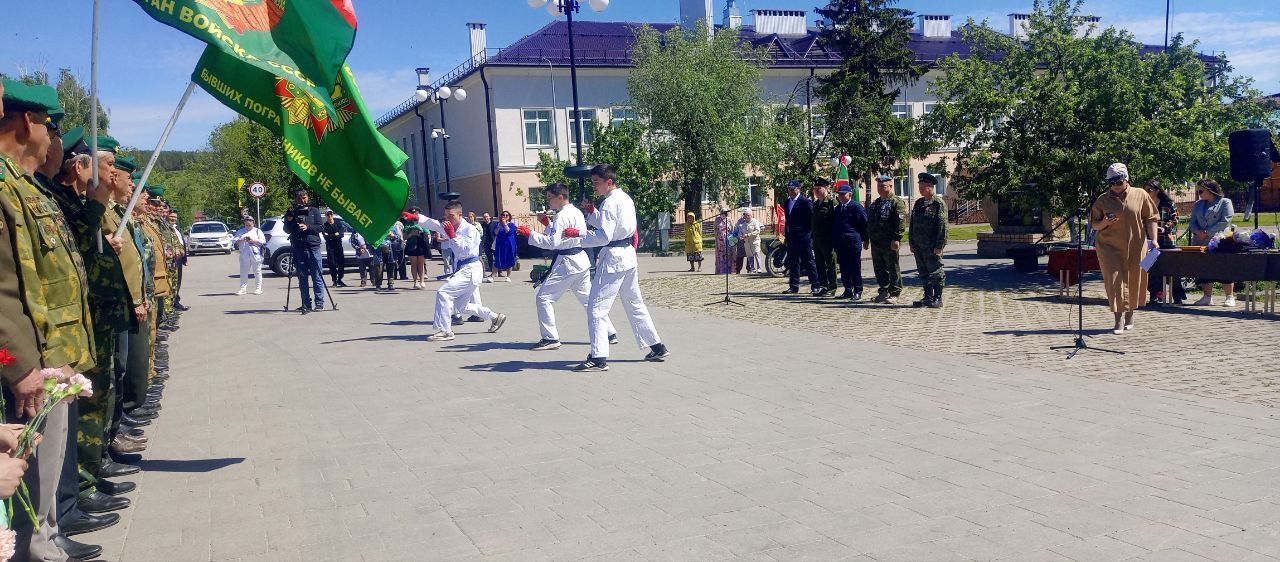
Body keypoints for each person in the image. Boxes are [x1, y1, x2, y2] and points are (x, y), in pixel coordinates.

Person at [0, 79, 92, 561]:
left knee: (44, 474)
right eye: (48, 125)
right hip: (27, 362)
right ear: (24, 122)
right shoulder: (4, 186)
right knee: (26, 482)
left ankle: (45, 544)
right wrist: (18, 365)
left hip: (49, 357)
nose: (53, 137)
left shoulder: (23, 186)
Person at [562, 164, 668, 372]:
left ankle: (599, 357)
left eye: (597, 182)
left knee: (596, 307)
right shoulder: (624, 198)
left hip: (614, 257)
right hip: (627, 254)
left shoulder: (610, 202)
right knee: (634, 302)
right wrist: (593, 214)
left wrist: (578, 236)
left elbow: (604, 235)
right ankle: (657, 346)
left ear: (609, 182)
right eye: (593, 182)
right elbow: (613, 227)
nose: (594, 186)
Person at [517, 183, 619, 351]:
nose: (548, 201)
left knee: (544, 298)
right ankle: (609, 333)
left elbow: (554, 242)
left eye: (550, 198)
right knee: (589, 301)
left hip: (568, 262)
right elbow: (563, 236)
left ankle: (550, 338)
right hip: (580, 260)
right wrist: (547, 224)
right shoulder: (575, 212)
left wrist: (531, 235)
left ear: (560, 197)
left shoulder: (562, 215)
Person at [411, 201, 506, 341]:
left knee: (443, 292)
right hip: (463, 269)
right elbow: (433, 223)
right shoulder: (450, 226)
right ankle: (494, 317)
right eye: (445, 216)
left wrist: (452, 235)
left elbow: (465, 250)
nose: (447, 219)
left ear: (460, 215)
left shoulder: (470, 230)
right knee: (461, 306)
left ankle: (445, 331)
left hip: (471, 269)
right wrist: (416, 217)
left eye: (450, 216)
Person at [1090, 163, 1159, 334]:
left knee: (1134, 280)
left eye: (1119, 182)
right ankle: (1118, 320)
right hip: (1109, 247)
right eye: (1112, 183)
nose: (1116, 186)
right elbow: (1094, 224)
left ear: (1126, 179)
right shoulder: (1102, 200)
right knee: (1115, 283)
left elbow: (1151, 218)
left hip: (1136, 245)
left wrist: (1154, 240)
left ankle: (1130, 317)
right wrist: (1104, 222)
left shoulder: (1140, 194)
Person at [1188, 179, 1237, 307]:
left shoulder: (1225, 203)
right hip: (1200, 241)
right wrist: (1198, 231)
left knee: (1223, 268)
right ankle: (1207, 297)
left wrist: (1208, 232)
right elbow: (1192, 221)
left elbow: (1226, 221)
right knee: (1204, 268)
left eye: (1201, 190)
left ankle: (1229, 296)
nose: (1199, 193)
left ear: (1210, 190)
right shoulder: (1198, 204)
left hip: (1220, 241)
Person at [283, 188, 326, 313]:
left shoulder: (314, 211)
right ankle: (306, 303)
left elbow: (321, 227)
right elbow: (287, 229)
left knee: (317, 276)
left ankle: (319, 303)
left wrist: (307, 227)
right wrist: (290, 220)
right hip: (299, 247)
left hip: (313, 247)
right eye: (300, 199)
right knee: (302, 277)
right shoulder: (292, 212)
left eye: (305, 198)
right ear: (296, 199)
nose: (303, 201)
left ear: (307, 198)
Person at [1144, 180, 1186, 306]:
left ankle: (1178, 296)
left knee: (1172, 269)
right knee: (1151, 268)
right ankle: (1155, 296)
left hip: (1167, 241)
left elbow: (1175, 219)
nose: (1146, 192)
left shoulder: (1168, 203)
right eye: (1145, 190)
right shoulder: (1144, 204)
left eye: (1149, 190)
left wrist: (1163, 227)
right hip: (1150, 241)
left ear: (1157, 190)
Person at [910, 173, 949, 308]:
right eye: (919, 187)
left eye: (923, 187)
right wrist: (912, 242)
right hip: (919, 245)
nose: (920, 189)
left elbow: (943, 226)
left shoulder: (938, 203)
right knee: (923, 271)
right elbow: (912, 224)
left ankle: (938, 298)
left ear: (930, 186)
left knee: (936, 271)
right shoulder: (919, 203)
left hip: (932, 246)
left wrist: (939, 245)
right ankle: (928, 297)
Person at [867, 174, 906, 304]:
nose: (880, 188)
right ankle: (884, 291)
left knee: (893, 267)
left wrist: (897, 239)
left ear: (890, 186)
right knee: (879, 268)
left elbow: (900, 223)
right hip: (876, 243)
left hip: (889, 242)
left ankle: (895, 293)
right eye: (878, 186)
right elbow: (870, 222)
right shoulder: (875, 204)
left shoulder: (896, 202)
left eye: (883, 186)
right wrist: (867, 238)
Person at [832, 183, 869, 300]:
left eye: (843, 194)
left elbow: (865, 224)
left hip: (853, 241)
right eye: (839, 195)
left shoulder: (856, 207)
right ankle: (847, 289)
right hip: (841, 242)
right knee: (844, 267)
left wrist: (865, 239)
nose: (841, 197)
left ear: (850, 195)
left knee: (855, 267)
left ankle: (858, 290)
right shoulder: (837, 209)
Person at [782, 179, 819, 295]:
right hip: (792, 237)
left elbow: (812, 219)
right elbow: (788, 220)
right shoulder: (787, 202)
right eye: (789, 189)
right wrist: (786, 235)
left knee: (808, 261)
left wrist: (809, 234)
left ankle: (815, 285)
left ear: (799, 189)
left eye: (793, 189)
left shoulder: (805, 201)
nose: (791, 191)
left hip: (804, 236)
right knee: (793, 262)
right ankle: (793, 286)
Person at [810, 179, 839, 296]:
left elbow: (837, 222)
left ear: (826, 188)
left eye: (819, 189)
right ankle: (823, 286)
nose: (816, 192)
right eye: (815, 189)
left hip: (828, 240)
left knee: (830, 264)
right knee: (820, 264)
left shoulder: (833, 203)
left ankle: (832, 288)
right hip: (817, 240)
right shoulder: (816, 204)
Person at [234, 216, 266, 295]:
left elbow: (263, 241)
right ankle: (243, 289)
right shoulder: (241, 231)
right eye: (246, 221)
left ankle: (258, 288)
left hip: (256, 254)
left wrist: (253, 240)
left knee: (257, 271)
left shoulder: (258, 231)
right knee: (243, 272)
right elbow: (234, 240)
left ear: (253, 222)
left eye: (249, 221)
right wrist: (241, 239)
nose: (248, 223)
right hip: (244, 254)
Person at [321, 210, 347, 287]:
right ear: (326, 216)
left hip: (338, 245)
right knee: (332, 264)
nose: (329, 217)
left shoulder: (338, 224)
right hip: (330, 247)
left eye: (331, 215)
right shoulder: (325, 225)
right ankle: (334, 280)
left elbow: (341, 234)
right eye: (328, 215)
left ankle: (340, 279)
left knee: (341, 263)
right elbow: (326, 237)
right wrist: (335, 234)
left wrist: (331, 235)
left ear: (332, 215)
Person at [491, 211, 517, 281]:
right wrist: (499, 226)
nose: (504, 216)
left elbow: (509, 232)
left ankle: (508, 276)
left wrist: (505, 224)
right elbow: (495, 233)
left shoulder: (511, 224)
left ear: (509, 217)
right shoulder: (497, 224)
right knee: (497, 259)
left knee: (509, 259)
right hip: (500, 244)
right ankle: (492, 276)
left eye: (506, 215)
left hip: (509, 244)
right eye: (503, 215)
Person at [405, 222, 429, 289]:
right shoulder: (408, 225)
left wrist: (420, 233)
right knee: (414, 264)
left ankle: (422, 281)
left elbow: (427, 233)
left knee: (421, 264)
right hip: (411, 246)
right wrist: (411, 234)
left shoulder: (423, 223)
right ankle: (415, 282)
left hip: (421, 245)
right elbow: (404, 237)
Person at [714, 205, 732, 275]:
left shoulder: (729, 219)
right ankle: (720, 270)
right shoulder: (717, 219)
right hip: (719, 240)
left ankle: (727, 270)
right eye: (723, 212)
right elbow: (715, 229)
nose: (724, 214)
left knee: (727, 254)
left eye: (725, 212)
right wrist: (716, 238)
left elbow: (732, 229)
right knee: (720, 255)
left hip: (728, 239)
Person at [479, 212, 495, 280]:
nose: (486, 218)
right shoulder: (482, 225)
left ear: (489, 217)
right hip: (486, 244)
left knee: (497, 257)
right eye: (484, 217)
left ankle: (499, 271)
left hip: (494, 243)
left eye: (487, 216)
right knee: (489, 258)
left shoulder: (494, 224)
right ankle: (492, 271)